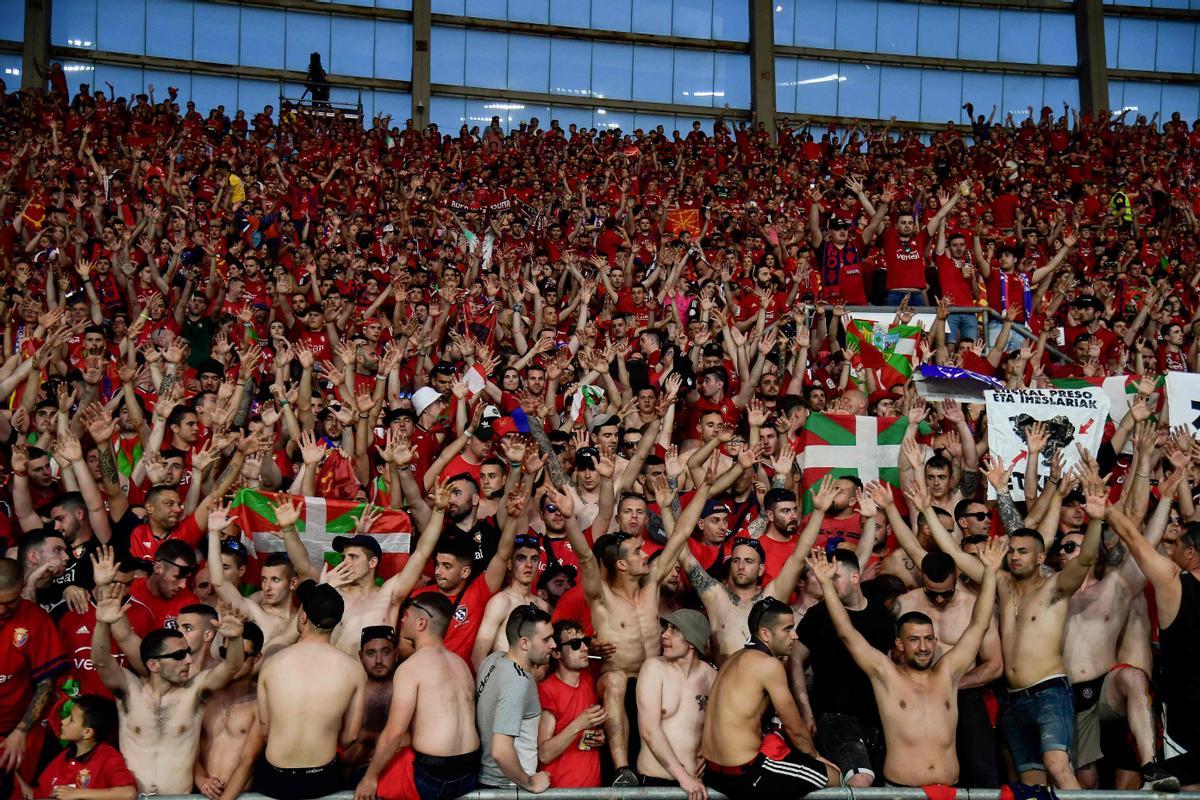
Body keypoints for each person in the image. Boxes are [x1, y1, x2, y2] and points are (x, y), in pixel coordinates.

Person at [922, 458, 1104, 789]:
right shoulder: (1003, 585)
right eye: (1012, 551)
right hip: (1013, 698)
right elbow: (953, 552)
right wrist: (924, 507)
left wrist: (1097, 520)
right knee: (1030, 784)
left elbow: (1088, 558)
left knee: (1059, 767)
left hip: (1050, 692)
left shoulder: (1055, 587)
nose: (1015, 556)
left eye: (1023, 551)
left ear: (1039, 557)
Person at [809, 538, 1003, 785]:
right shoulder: (886, 675)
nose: (923, 647)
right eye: (914, 640)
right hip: (902, 790)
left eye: (928, 639)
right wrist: (827, 585)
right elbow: (847, 632)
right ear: (899, 644)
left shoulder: (947, 674)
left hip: (949, 790)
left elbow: (978, 626)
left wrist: (990, 574)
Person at [559, 475, 711, 785]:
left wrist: (705, 488)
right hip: (620, 679)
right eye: (638, 553)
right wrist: (568, 519)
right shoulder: (601, 597)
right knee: (614, 680)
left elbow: (681, 534)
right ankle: (622, 771)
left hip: (655, 679)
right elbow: (586, 558)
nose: (646, 555)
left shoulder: (651, 583)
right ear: (622, 566)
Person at [90, 583, 246, 794]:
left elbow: (231, 667)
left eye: (187, 652)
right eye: (179, 655)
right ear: (153, 665)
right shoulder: (130, 691)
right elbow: (101, 662)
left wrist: (235, 639)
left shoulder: (194, 693)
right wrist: (101, 623)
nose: (189, 660)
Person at [275, 488, 445, 657]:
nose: (346, 562)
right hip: (333, 677)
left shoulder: (389, 595)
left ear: (372, 562)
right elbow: (303, 567)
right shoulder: (330, 592)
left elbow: (422, 552)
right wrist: (288, 528)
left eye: (353, 557)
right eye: (344, 557)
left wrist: (438, 511)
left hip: (371, 681)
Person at [1107, 479, 1200, 788]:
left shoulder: (1175, 584)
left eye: (1176, 547)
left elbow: (1135, 541)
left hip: (1186, 713)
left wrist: (1105, 507)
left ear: (1190, 553)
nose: (1170, 552)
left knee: (1188, 790)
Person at [701, 596, 837, 797]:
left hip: (713, 772)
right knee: (835, 776)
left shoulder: (733, 659)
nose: (795, 636)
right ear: (765, 634)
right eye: (788, 629)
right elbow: (795, 728)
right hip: (743, 773)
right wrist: (816, 756)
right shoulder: (768, 665)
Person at [893, 551, 1004, 788]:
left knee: (981, 771)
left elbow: (994, 665)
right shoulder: (905, 604)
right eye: (932, 594)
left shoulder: (972, 606)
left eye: (947, 593)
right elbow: (888, 657)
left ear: (956, 577)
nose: (940, 600)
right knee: (923, 774)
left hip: (964, 697)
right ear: (922, 578)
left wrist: (948, 684)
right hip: (915, 698)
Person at [358, 594, 480, 800]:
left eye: (407, 616)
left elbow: (395, 732)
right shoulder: (460, 664)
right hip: (470, 772)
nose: (403, 621)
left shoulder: (411, 668)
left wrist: (370, 778)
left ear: (421, 622)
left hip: (434, 776)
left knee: (363, 780)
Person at [792, 548, 896, 786]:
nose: (827, 583)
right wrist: (805, 709)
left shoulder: (880, 612)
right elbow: (795, 660)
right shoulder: (818, 614)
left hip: (875, 717)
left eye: (834, 577)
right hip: (834, 716)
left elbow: (888, 665)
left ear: (855, 577)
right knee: (859, 779)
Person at [254, 580, 366, 799]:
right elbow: (350, 736)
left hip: (275, 779)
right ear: (335, 622)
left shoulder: (272, 665)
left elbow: (265, 730)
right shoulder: (354, 670)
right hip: (321, 779)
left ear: (303, 617)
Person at [0, 558, 69, 799]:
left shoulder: (35, 619)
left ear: (22, 590)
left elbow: (46, 683)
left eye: (10, 603)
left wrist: (20, 731)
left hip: (20, 728)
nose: (1, 610)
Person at [475, 603, 556, 792]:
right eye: (546, 639)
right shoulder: (517, 682)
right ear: (525, 643)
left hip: (492, 781)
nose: (553, 645)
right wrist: (530, 783)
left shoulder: (493, 659)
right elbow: (501, 751)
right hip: (510, 787)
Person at [637, 609, 716, 797]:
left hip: (695, 787)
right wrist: (684, 778)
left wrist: (709, 749)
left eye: (674, 630)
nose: (664, 634)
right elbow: (649, 731)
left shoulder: (712, 677)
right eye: (666, 628)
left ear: (692, 640)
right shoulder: (654, 668)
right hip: (655, 785)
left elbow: (721, 726)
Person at [194, 622, 265, 800]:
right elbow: (185, 744)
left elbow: (249, 759)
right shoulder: (206, 694)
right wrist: (201, 779)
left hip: (238, 796)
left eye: (241, 655)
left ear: (257, 658)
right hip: (197, 792)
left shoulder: (260, 701)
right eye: (227, 653)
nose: (233, 659)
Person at [536, 620, 605, 789]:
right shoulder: (548, 689)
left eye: (585, 642)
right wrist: (578, 724)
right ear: (556, 653)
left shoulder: (589, 681)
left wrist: (599, 737)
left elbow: (587, 734)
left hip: (593, 791)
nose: (584, 648)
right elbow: (544, 753)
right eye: (575, 644)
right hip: (562, 792)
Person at [29, 694, 137, 800]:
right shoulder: (65, 756)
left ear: (87, 732)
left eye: (71, 719)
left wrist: (77, 794)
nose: (63, 721)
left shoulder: (108, 757)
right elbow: (38, 794)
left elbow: (128, 793)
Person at [470, 533, 547, 669]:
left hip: (534, 686)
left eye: (534, 559)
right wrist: (492, 687)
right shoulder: (501, 602)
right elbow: (478, 655)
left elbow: (546, 652)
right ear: (510, 564)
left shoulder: (543, 606)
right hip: (504, 683)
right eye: (521, 558)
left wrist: (541, 672)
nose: (529, 564)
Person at [342, 625, 399, 783]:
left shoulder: (405, 688)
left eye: (385, 652)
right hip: (352, 771)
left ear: (396, 654)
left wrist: (366, 737)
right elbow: (343, 746)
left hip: (395, 771)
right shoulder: (350, 689)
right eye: (371, 653)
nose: (379, 660)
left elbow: (411, 740)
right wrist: (386, 741)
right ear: (361, 656)